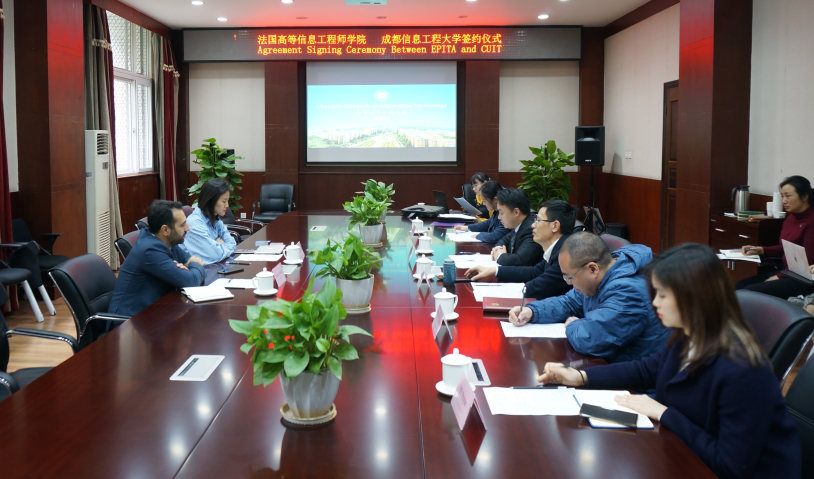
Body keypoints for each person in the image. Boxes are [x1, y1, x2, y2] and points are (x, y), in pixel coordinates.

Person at [538, 243, 801, 479]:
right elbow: (645, 370)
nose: (655, 303)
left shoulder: (742, 370)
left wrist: (664, 413)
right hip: (683, 454)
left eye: (663, 295)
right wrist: (580, 376)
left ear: (694, 296)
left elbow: (730, 466)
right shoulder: (688, 336)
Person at [509, 232, 669, 362]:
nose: (569, 283)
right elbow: (568, 302)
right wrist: (532, 311)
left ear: (593, 269)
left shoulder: (628, 291)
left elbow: (591, 339)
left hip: (636, 385)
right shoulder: (600, 279)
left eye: (569, 277)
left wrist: (574, 325)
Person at [109, 200, 205, 317]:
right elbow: (191, 282)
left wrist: (188, 267)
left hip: (154, 312)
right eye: (182, 225)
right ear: (165, 230)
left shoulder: (168, 241)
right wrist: (195, 264)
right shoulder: (150, 250)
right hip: (129, 321)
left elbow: (189, 266)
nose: (187, 228)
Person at [464, 199, 575, 301]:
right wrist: (494, 271)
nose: (533, 225)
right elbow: (534, 272)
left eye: (538, 220)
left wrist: (519, 288)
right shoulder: (558, 247)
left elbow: (536, 289)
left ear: (555, 226)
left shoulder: (566, 254)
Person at [737, 175, 814, 299]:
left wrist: (779, 277)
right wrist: (761, 250)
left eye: (788, 196)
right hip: (787, 271)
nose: (784, 201)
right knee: (737, 287)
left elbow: (807, 262)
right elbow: (785, 249)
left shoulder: (811, 222)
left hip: (803, 278)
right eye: (782, 196)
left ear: (805, 196)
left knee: (747, 294)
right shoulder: (790, 218)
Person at [183, 178, 237, 264]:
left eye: (227, 201)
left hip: (215, 266)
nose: (227, 205)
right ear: (211, 201)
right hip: (199, 270)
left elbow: (232, 243)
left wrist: (218, 247)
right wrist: (220, 246)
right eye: (224, 201)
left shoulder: (216, 219)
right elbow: (216, 255)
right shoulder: (195, 223)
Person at [490, 188, 543, 266]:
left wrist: (499, 256)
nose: (499, 217)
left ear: (516, 212)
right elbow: (504, 240)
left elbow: (520, 260)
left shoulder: (532, 228)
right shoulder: (520, 223)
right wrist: (498, 249)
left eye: (501, 213)